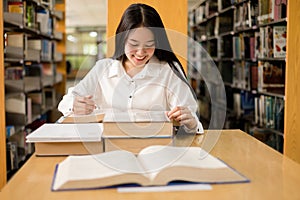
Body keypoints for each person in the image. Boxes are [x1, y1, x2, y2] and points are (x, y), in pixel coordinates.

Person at [58, 3, 203, 133]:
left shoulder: (169, 70)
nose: (140, 52)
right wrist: (74, 105)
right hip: (107, 148)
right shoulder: (103, 68)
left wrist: (190, 122)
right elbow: (67, 101)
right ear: (122, 40)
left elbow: (190, 119)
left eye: (149, 45)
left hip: (156, 148)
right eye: (133, 44)